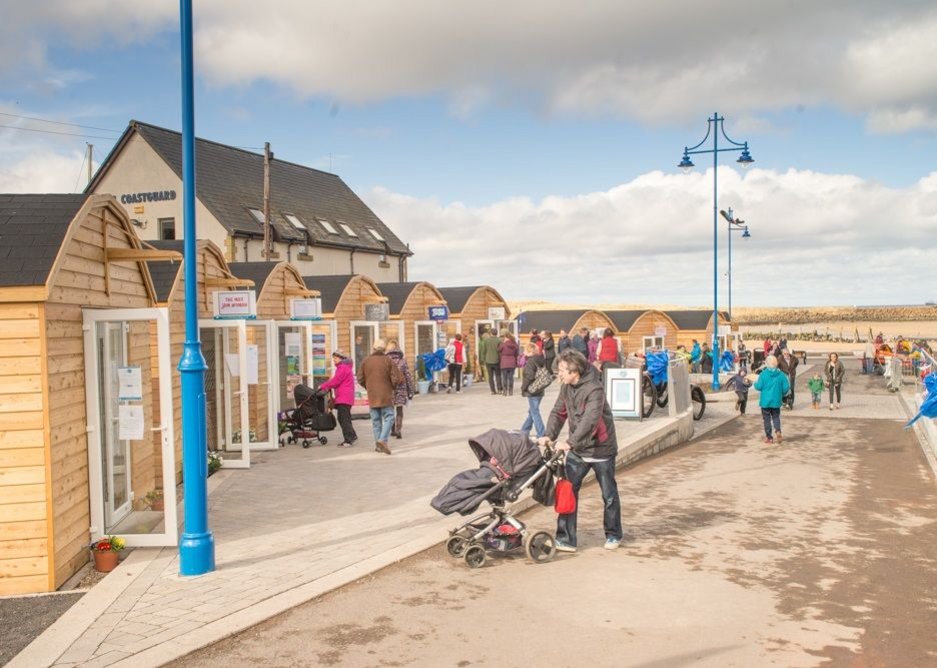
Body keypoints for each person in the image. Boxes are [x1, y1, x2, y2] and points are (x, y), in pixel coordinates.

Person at [538, 350, 622, 552]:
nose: (559, 374)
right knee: (568, 492)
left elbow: (590, 421)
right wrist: (549, 434)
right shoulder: (566, 387)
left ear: (574, 371)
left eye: (562, 371)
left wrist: (569, 442)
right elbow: (559, 412)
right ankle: (566, 539)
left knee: (609, 494)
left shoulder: (595, 389)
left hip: (601, 449)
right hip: (579, 450)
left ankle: (613, 534)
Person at [356, 339, 403, 455]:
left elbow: (360, 378)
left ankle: (378, 445)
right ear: (383, 350)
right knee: (389, 417)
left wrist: (369, 387)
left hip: (372, 395)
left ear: (373, 348)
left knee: (376, 421)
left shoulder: (366, 361)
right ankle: (382, 440)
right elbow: (397, 378)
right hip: (386, 395)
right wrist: (391, 387)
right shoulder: (388, 360)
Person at [316, 350, 357, 447]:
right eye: (333, 358)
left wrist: (323, 386)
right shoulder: (345, 367)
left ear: (341, 358)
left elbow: (335, 381)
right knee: (345, 418)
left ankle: (348, 440)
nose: (333, 360)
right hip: (346, 397)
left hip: (344, 397)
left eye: (335, 358)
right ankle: (352, 435)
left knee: (343, 418)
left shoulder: (342, 368)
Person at [754, 355, 791, 444]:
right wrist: (781, 393)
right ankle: (778, 431)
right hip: (776, 400)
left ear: (766, 364)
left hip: (765, 402)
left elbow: (758, 386)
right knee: (776, 417)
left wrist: (755, 383)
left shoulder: (763, 374)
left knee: (766, 419)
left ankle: (769, 437)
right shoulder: (781, 375)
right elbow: (786, 387)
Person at [385, 340, 414, 439]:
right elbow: (408, 377)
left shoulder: (385, 361)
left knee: (390, 409)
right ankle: (398, 430)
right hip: (401, 388)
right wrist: (411, 392)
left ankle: (392, 430)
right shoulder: (403, 361)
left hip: (389, 388)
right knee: (399, 408)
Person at [519, 342, 547, 439]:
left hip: (532, 389)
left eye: (525, 350)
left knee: (534, 412)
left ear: (529, 351)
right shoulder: (540, 359)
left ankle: (541, 433)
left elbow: (529, 376)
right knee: (532, 411)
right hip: (540, 388)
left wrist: (523, 388)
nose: (524, 352)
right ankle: (524, 430)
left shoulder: (531, 361)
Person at [480, 327, 502, 395]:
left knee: (490, 376)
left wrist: (483, 359)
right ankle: (499, 389)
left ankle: (492, 390)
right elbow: (500, 351)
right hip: (497, 360)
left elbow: (483, 351)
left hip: (488, 360)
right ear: (497, 333)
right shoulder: (499, 340)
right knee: (498, 375)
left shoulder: (486, 341)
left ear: (491, 333)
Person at [497, 330, 519, 396]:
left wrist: (503, 343)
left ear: (506, 337)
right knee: (511, 377)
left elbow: (498, 350)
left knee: (504, 377)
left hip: (504, 362)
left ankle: (505, 391)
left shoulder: (503, 344)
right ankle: (510, 391)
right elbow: (517, 353)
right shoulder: (515, 344)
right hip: (512, 362)